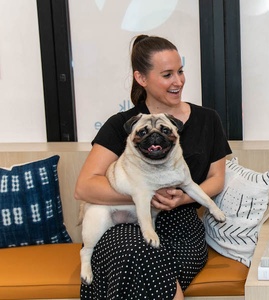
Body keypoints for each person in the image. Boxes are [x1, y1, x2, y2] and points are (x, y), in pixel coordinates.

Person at [74, 35, 232, 300]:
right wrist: (143, 194)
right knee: (132, 251)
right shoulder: (122, 124)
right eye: (167, 74)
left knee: (140, 267)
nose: (178, 81)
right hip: (123, 225)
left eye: (180, 71)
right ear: (141, 78)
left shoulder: (207, 119)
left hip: (181, 227)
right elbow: (85, 186)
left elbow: (217, 178)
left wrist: (182, 198)